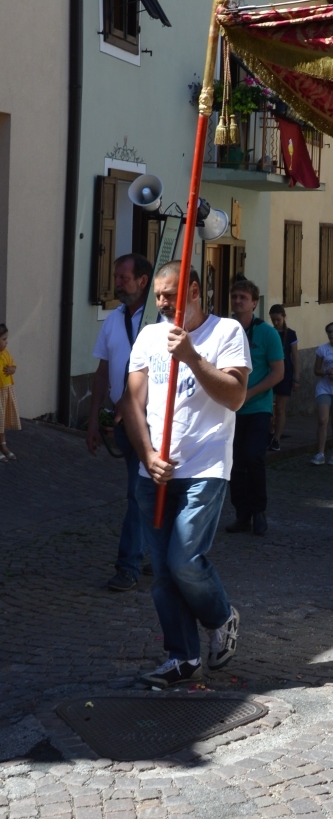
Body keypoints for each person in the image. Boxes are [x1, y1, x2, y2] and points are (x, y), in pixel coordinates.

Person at [123, 260, 250, 688]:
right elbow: (131, 403)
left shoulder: (227, 331)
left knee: (185, 560)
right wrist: (146, 454)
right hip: (155, 471)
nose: (161, 303)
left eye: (170, 295)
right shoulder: (148, 335)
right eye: (158, 295)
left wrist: (193, 357)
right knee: (162, 570)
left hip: (205, 466)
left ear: (194, 291)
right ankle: (182, 658)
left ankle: (220, 617)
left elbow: (235, 396)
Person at [86, 253, 153, 591]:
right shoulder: (113, 320)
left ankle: (129, 564)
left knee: (138, 492)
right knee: (144, 491)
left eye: (123, 277)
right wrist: (94, 419)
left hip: (152, 422)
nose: (116, 283)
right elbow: (102, 372)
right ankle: (155, 554)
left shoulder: (159, 321)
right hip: (124, 422)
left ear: (143, 281)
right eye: (116, 277)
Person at [226, 281, 284, 535]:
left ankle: (259, 511)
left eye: (243, 297)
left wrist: (249, 393)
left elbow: (278, 373)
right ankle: (242, 514)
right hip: (229, 410)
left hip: (258, 407)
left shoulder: (267, 334)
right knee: (234, 463)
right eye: (234, 296)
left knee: (253, 457)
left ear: (254, 303)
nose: (238, 301)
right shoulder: (224, 329)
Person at [313, 322, 333, 465]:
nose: (332, 334)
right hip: (324, 388)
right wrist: (326, 372)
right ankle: (320, 453)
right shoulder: (322, 349)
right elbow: (316, 370)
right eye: (329, 332)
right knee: (322, 420)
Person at [268, 304, 299, 453]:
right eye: (273, 320)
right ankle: (268, 433)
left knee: (280, 408)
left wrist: (296, 378)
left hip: (286, 375)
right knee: (268, 408)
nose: (275, 323)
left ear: (284, 318)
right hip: (269, 373)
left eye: (278, 320)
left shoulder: (291, 334)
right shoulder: (269, 332)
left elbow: (295, 357)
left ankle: (277, 439)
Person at [0, 323, 20, 462]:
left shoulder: (6, 353)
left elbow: (13, 366)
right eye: (3, 339)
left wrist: (12, 369)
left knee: (1, 422)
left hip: (6, 392)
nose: (6, 342)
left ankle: (3, 446)